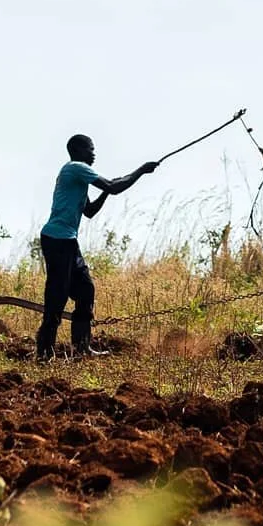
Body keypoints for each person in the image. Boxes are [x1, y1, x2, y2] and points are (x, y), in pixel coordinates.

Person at [36, 134, 156, 360]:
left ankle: (81, 348)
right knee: (57, 295)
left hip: (68, 241)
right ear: (79, 150)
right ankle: (44, 352)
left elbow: (89, 211)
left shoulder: (78, 176)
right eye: (90, 149)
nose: (94, 153)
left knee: (85, 290)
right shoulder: (76, 168)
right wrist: (140, 171)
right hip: (57, 240)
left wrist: (107, 191)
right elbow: (114, 186)